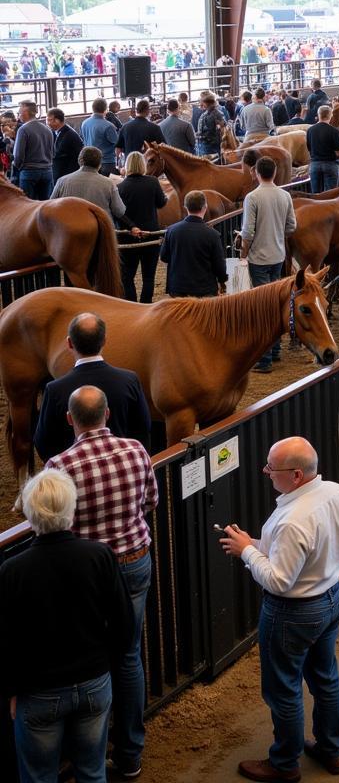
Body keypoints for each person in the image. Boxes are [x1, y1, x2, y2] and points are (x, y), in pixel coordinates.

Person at [220, 437, 339, 783]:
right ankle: (331, 748)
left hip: (292, 613)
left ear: (296, 475)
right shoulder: (337, 493)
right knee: (325, 678)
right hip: (331, 597)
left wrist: (247, 553)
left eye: (272, 468)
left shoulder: (293, 519)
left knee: (283, 689)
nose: (266, 472)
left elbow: (279, 581)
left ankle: (284, 763)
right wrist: (254, 543)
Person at [45, 385, 158, 781]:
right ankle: (129, 754)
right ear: (108, 415)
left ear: (69, 419)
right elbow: (150, 502)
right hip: (134, 561)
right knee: (129, 656)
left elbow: (56, 524)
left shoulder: (60, 465)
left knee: (90, 658)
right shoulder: (136, 450)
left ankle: (84, 755)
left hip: (87, 573)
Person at [0, 468, 134, 783]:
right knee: (92, 771)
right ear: (71, 511)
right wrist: (106, 667)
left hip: (39, 692)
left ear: (30, 515)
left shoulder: (12, 571)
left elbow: (5, 641)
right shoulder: (99, 555)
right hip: (94, 684)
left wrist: (11, 690)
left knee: (39, 776)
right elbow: (124, 624)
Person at [33, 310, 151, 461]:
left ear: (69, 343)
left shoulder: (54, 390)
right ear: (104, 341)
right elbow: (143, 428)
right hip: (122, 465)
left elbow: (43, 442)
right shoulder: (130, 380)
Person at [240, 156, 297, 372]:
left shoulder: (252, 197)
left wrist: (244, 254)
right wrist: (278, 235)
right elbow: (292, 226)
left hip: (258, 258)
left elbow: (248, 231)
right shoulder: (285, 195)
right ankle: (275, 350)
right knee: (275, 304)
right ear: (274, 173)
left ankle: (264, 359)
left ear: (256, 173)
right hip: (277, 256)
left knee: (263, 308)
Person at [52, 147, 143, 238]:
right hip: (100, 234)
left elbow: (51, 206)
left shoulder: (62, 181)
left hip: (69, 233)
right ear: (99, 164)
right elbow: (119, 211)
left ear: (80, 160)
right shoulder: (108, 184)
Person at [117, 151, 167, 303]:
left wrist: (132, 227)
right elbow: (161, 203)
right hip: (150, 234)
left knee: (127, 276)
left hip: (127, 236)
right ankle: (146, 304)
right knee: (149, 276)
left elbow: (118, 213)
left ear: (127, 166)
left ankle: (131, 304)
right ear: (143, 164)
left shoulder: (120, 187)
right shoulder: (152, 182)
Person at [159, 190, 228, 298]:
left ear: (185, 207)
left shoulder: (171, 231)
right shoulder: (213, 235)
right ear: (205, 207)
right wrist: (222, 281)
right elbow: (219, 264)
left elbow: (164, 257)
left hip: (177, 289)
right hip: (204, 291)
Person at [11, 99, 53, 199]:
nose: (18, 116)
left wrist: (18, 167)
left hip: (29, 172)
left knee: (28, 206)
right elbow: (53, 152)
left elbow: (18, 156)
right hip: (47, 172)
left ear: (25, 113)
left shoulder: (23, 129)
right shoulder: (47, 129)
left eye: (19, 112)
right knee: (44, 205)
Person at [306, 105, 339, 194]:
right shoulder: (334, 131)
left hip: (314, 164)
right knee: (330, 195)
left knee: (316, 194)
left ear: (319, 115)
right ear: (330, 115)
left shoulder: (310, 130)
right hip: (330, 164)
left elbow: (309, 148)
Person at [47, 107, 83, 185]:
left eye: (49, 120)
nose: (47, 123)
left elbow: (57, 153)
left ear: (57, 120)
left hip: (67, 173)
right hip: (61, 172)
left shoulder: (68, 134)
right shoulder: (56, 132)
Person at [195, 91, 226, 158]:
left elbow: (208, 132)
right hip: (217, 144)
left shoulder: (206, 116)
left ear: (205, 103)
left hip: (208, 146)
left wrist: (197, 135)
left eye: (202, 102)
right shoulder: (219, 113)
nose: (201, 104)